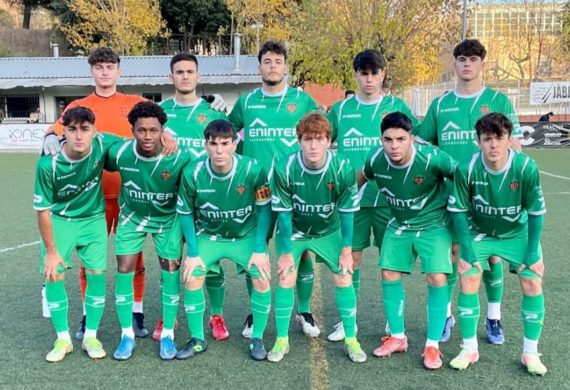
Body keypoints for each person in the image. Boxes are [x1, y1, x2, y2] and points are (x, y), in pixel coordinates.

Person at [413, 39, 523, 344]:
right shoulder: (440, 104)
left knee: (491, 258)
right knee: (449, 256)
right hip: (449, 196)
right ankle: (446, 315)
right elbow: (423, 143)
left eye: (473, 59)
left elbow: (515, 145)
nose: (467, 64)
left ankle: (494, 317)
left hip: (489, 195)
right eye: (461, 59)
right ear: (455, 64)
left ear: (481, 64)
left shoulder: (498, 100)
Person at [228, 40, 321, 338]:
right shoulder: (246, 101)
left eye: (277, 61)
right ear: (259, 67)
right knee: (253, 252)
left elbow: (320, 134)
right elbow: (229, 135)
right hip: (254, 191)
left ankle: (304, 310)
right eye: (267, 61)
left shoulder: (302, 100)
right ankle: (256, 312)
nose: (272, 66)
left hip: (294, 190)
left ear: (285, 66)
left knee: (302, 253)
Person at [326, 49, 419, 341]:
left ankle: (394, 323)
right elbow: (321, 144)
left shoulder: (396, 106)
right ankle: (347, 322)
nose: (369, 79)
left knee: (390, 264)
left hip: (389, 202)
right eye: (363, 74)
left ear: (383, 74)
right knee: (349, 261)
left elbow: (414, 147)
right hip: (351, 204)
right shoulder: (340, 110)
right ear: (355, 75)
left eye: (374, 73)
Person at [447, 112, 547, 376]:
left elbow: (536, 212)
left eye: (499, 138)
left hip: (517, 232)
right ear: (478, 141)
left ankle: (530, 352)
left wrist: (533, 250)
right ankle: (469, 348)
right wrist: (467, 250)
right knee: (468, 277)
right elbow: (457, 210)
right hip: (479, 232)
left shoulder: (526, 168)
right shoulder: (466, 168)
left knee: (532, 280)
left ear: (509, 139)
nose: (493, 145)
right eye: (487, 139)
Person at [359, 112, 457, 370]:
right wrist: (342, 201)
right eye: (388, 139)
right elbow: (360, 178)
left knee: (437, 277)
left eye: (401, 139)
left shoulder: (432, 157)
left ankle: (432, 345)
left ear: (411, 138)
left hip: (434, 224)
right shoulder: (376, 159)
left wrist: (460, 222)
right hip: (400, 223)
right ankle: (398, 338)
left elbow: (460, 178)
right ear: (381, 139)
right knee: (389, 273)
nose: (394, 146)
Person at [268, 112, 366, 363]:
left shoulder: (343, 167)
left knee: (344, 276)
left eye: (319, 139)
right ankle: (281, 340)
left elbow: (347, 213)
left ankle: (352, 339)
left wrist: (346, 249)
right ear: (298, 141)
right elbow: (284, 214)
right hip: (295, 232)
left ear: (328, 140)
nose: (313, 145)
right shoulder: (284, 167)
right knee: (285, 277)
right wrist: (287, 252)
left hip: (328, 231)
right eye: (307, 139)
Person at [176, 119, 272, 361]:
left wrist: (260, 249)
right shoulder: (193, 172)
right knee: (192, 276)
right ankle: (198, 339)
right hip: (209, 235)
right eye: (213, 144)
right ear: (205, 145)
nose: (219, 150)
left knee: (261, 278)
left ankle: (257, 338)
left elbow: (265, 209)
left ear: (234, 144)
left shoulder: (253, 169)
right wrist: (194, 253)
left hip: (244, 235)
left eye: (224, 143)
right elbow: (185, 213)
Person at [33, 106, 121, 362]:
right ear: (64, 132)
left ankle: (90, 336)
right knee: (54, 274)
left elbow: (137, 143)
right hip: (61, 221)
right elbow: (43, 211)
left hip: (94, 219)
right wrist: (50, 252)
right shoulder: (47, 164)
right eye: (72, 129)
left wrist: (167, 135)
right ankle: (63, 339)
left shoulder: (103, 143)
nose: (79, 136)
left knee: (96, 275)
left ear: (94, 130)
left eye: (85, 129)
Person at [153, 53, 230, 342]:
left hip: (205, 201)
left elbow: (232, 149)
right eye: (179, 71)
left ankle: (216, 314)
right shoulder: (158, 114)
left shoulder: (213, 113)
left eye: (190, 71)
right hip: (170, 202)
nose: (185, 76)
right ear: (171, 76)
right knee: (169, 263)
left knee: (210, 263)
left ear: (198, 76)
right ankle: (166, 315)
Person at [106, 101, 191, 361]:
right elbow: (94, 141)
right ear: (132, 130)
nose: (147, 136)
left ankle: (167, 334)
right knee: (123, 269)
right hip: (132, 218)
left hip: (167, 220)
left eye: (154, 130)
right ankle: (126, 335)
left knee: (170, 273)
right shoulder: (119, 152)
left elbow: (198, 179)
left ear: (163, 130)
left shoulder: (179, 155)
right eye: (141, 130)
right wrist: (56, 137)